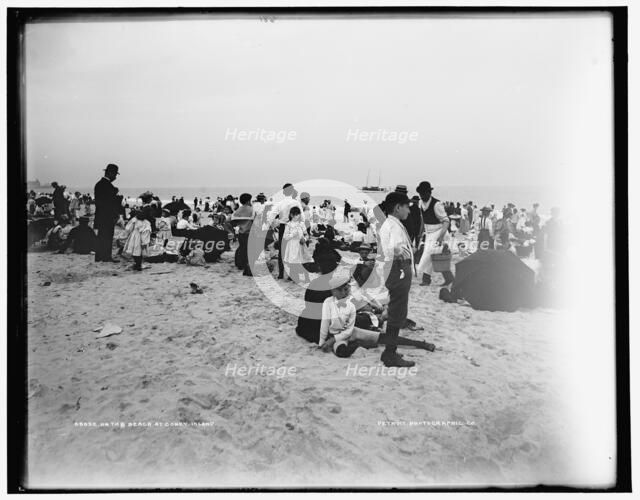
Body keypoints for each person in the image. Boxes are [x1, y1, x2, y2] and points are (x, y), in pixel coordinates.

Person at [318, 275, 434, 358]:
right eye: (344, 289)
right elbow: (324, 322)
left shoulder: (350, 304)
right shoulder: (328, 302)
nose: (347, 291)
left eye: (347, 288)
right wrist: (322, 342)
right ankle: (359, 343)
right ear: (334, 291)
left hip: (351, 331)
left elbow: (349, 329)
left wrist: (332, 340)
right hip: (337, 335)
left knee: (387, 338)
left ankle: (420, 344)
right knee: (341, 352)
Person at [377, 191, 417, 367]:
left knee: (397, 309)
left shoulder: (391, 223)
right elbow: (393, 248)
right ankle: (389, 353)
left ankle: (390, 350)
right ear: (397, 207)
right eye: (406, 206)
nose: (408, 210)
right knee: (397, 311)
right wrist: (402, 254)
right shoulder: (392, 225)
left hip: (396, 268)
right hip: (398, 267)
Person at [415, 181, 454, 287]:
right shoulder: (421, 204)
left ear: (429, 193)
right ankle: (445, 278)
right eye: (421, 194)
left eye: (424, 193)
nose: (422, 196)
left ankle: (420, 274)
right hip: (429, 233)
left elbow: (446, 221)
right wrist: (420, 232)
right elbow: (423, 219)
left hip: (439, 232)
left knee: (428, 254)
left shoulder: (437, 204)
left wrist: (441, 237)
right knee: (434, 256)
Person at [267, 183, 302, 279]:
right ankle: (291, 275)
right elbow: (301, 218)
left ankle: (281, 274)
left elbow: (271, 216)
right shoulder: (296, 203)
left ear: (283, 191)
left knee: (282, 252)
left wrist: (271, 225)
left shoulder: (280, 203)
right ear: (292, 191)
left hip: (283, 227)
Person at [93, 164, 121, 263]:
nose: (115, 177)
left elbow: (100, 201)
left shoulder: (99, 184)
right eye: (115, 174)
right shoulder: (107, 186)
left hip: (100, 214)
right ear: (110, 173)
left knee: (102, 236)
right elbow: (109, 202)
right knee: (107, 236)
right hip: (107, 215)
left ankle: (100, 256)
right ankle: (106, 257)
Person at [282, 206, 310, 282]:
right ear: (291, 215)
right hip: (292, 245)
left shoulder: (301, 224)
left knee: (303, 262)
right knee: (293, 262)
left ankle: (306, 277)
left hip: (301, 245)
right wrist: (293, 234)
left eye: (299, 214)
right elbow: (285, 237)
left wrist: (304, 239)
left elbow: (307, 234)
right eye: (296, 214)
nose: (298, 216)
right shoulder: (288, 225)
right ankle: (294, 277)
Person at [231, 193, 255, 275]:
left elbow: (230, 221)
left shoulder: (237, 210)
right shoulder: (252, 210)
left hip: (240, 233)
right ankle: (246, 265)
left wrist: (237, 227)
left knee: (242, 248)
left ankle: (240, 264)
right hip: (249, 232)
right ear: (248, 201)